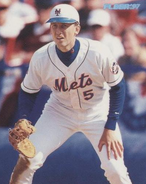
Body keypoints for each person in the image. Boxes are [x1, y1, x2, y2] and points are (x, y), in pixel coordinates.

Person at [9, 4, 132, 184]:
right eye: (54, 26)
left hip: (97, 112)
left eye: (64, 26)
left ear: (77, 29)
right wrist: (24, 117)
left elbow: (118, 86)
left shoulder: (97, 51)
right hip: (59, 112)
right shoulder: (41, 57)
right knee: (27, 160)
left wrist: (111, 125)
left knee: (116, 171)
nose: (59, 31)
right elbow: (28, 91)